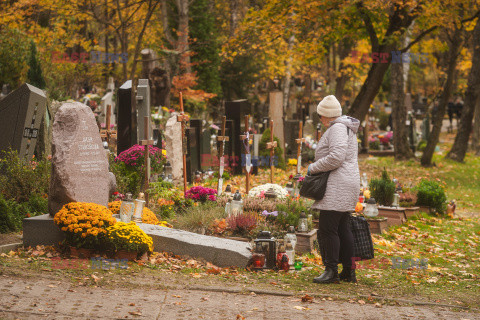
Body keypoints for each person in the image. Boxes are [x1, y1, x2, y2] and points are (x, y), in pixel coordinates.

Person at [307, 95, 360, 284]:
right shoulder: (345, 127)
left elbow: (336, 157)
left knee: (327, 229)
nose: (320, 119)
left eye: (321, 115)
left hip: (338, 184)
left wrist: (313, 168)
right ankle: (348, 270)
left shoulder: (337, 128)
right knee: (342, 227)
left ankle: (331, 271)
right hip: (346, 182)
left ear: (327, 115)